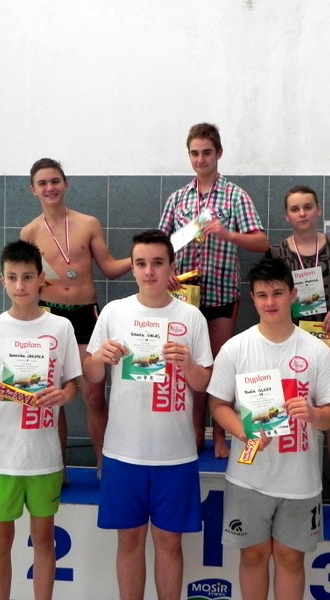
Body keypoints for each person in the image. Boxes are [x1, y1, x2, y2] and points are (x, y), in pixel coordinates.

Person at [83, 229, 213, 600]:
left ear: (172, 266)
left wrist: (188, 366)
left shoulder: (191, 317)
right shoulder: (115, 312)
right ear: (133, 268)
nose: (149, 271)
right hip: (124, 452)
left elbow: (205, 382)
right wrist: (99, 358)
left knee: (170, 545)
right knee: (129, 542)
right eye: (141, 263)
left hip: (175, 454)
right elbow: (91, 375)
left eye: (157, 263)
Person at [207, 257, 330, 600]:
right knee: (253, 556)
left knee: (290, 559)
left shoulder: (317, 351)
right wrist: (243, 432)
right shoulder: (235, 348)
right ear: (252, 299)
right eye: (262, 295)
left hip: (300, 481)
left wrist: (314, 414)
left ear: (293, 294)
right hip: (248, 477)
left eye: (278, 293)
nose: (270, 302)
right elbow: (217, 405)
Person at [0, 240, 81, 600]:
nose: (20, 285)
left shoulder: (60, 327)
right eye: (12, 277)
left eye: (27, 276)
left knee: (43, 539)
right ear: (2, 280)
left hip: (43, 454)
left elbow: (72, 385)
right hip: (0, 455)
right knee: (0, 540)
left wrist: (63, 396)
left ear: (41, 279)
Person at [159, 122, 269, 458]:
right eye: (194, 153)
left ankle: (219, 435)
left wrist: (227, 234)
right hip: (182, 299)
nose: (201, 159)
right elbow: (159, 245)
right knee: (189, 367)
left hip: (221, 296)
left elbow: (261, 242)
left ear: (218, 153)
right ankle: (194, 435)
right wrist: (168, 269)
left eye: (207, 152)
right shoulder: (178, 198)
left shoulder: (235, 196)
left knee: (219, 368)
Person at [21, 157, 130, 474]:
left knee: (94, 395)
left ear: (65, 184)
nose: (50, 187)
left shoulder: (88, 224)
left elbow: (109, 268)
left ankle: (104, 463)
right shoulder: (29, 233)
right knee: (52, 397)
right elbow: (25, 281)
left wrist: (139, 260)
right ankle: (56, 468)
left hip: (85, 316)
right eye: (42, 183)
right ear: (33, 190)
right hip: (49, 318)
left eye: (55, 181)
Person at [267, 185, 330, 515]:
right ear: (286, 216)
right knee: (289, 417)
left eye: (308, 207)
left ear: (318, 210)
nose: (302, 213)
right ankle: (286, 493)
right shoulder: (277, 253)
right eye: (295, 209)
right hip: (290, 345)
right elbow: (268, 296)